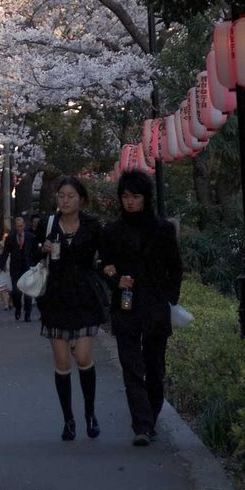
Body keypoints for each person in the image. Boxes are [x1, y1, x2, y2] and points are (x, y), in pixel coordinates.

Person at [101, 170, 183, 447]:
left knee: (154, 366)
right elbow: (104, 265)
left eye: (135, 197)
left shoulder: (163, 230)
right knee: (131, 366)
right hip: (125, 305)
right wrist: (114, 278)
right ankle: (142, 424)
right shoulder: (111, 232)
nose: (130, 202)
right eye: (125, 197)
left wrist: (169, 298)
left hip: (156, 305)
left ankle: (151, 415)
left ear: (146, 198)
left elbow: (175, 268)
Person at [34, 176, 105, 441]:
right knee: (62, 362)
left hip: (85, 297)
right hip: (56, 298)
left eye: (70, 196)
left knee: (83, 357)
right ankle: (68, 419)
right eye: (61, 195)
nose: (64, 200)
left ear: (81, 200)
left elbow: (105, 256)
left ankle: (90, 413)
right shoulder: (48, 225)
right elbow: (34, 258)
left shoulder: (93, 226)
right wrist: (43, 249)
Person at [0, 215, 36, 321]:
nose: (20, 228)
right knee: (16, 291)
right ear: (15, 227)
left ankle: (28, 314)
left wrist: (35, 264)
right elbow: (5, 252)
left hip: (27, 267)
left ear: (24, 225)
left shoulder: (30, 237)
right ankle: (18, 307)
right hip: (15, 267)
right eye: (18, 226)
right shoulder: (10, 238)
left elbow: (34, 252)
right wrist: (0, 266)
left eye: (21, 226)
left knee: (27, 292)